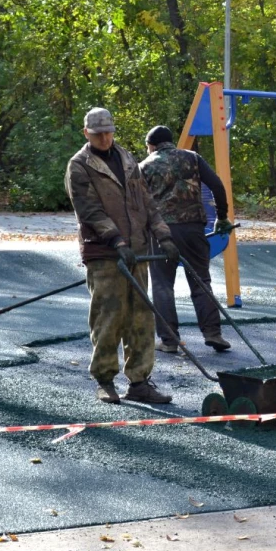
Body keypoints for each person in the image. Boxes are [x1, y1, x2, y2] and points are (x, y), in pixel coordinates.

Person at [65, 107, 180, 405]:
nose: (104, 138)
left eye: (108, 132)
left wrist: (163, 234)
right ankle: (104, 379)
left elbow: (146, 201)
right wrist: (115, 240)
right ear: (86, 133)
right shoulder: (80, 166)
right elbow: (89, 210)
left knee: (141, 318)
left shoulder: (128, 159)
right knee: (109, 317)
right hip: (104, 253)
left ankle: (140, 381)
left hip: (137, 251)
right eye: (97, 134)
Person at [139, 125, 236, 354]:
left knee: (163, 286)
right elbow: (217, 186)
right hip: (194, 229)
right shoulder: (192, 158)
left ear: (151, 146)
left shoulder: (144, 166)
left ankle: (170, 341)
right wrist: (221, 217)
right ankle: (213, 333)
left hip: (161, 233)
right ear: (171, 142)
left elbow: (137, 203)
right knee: (201, 280)